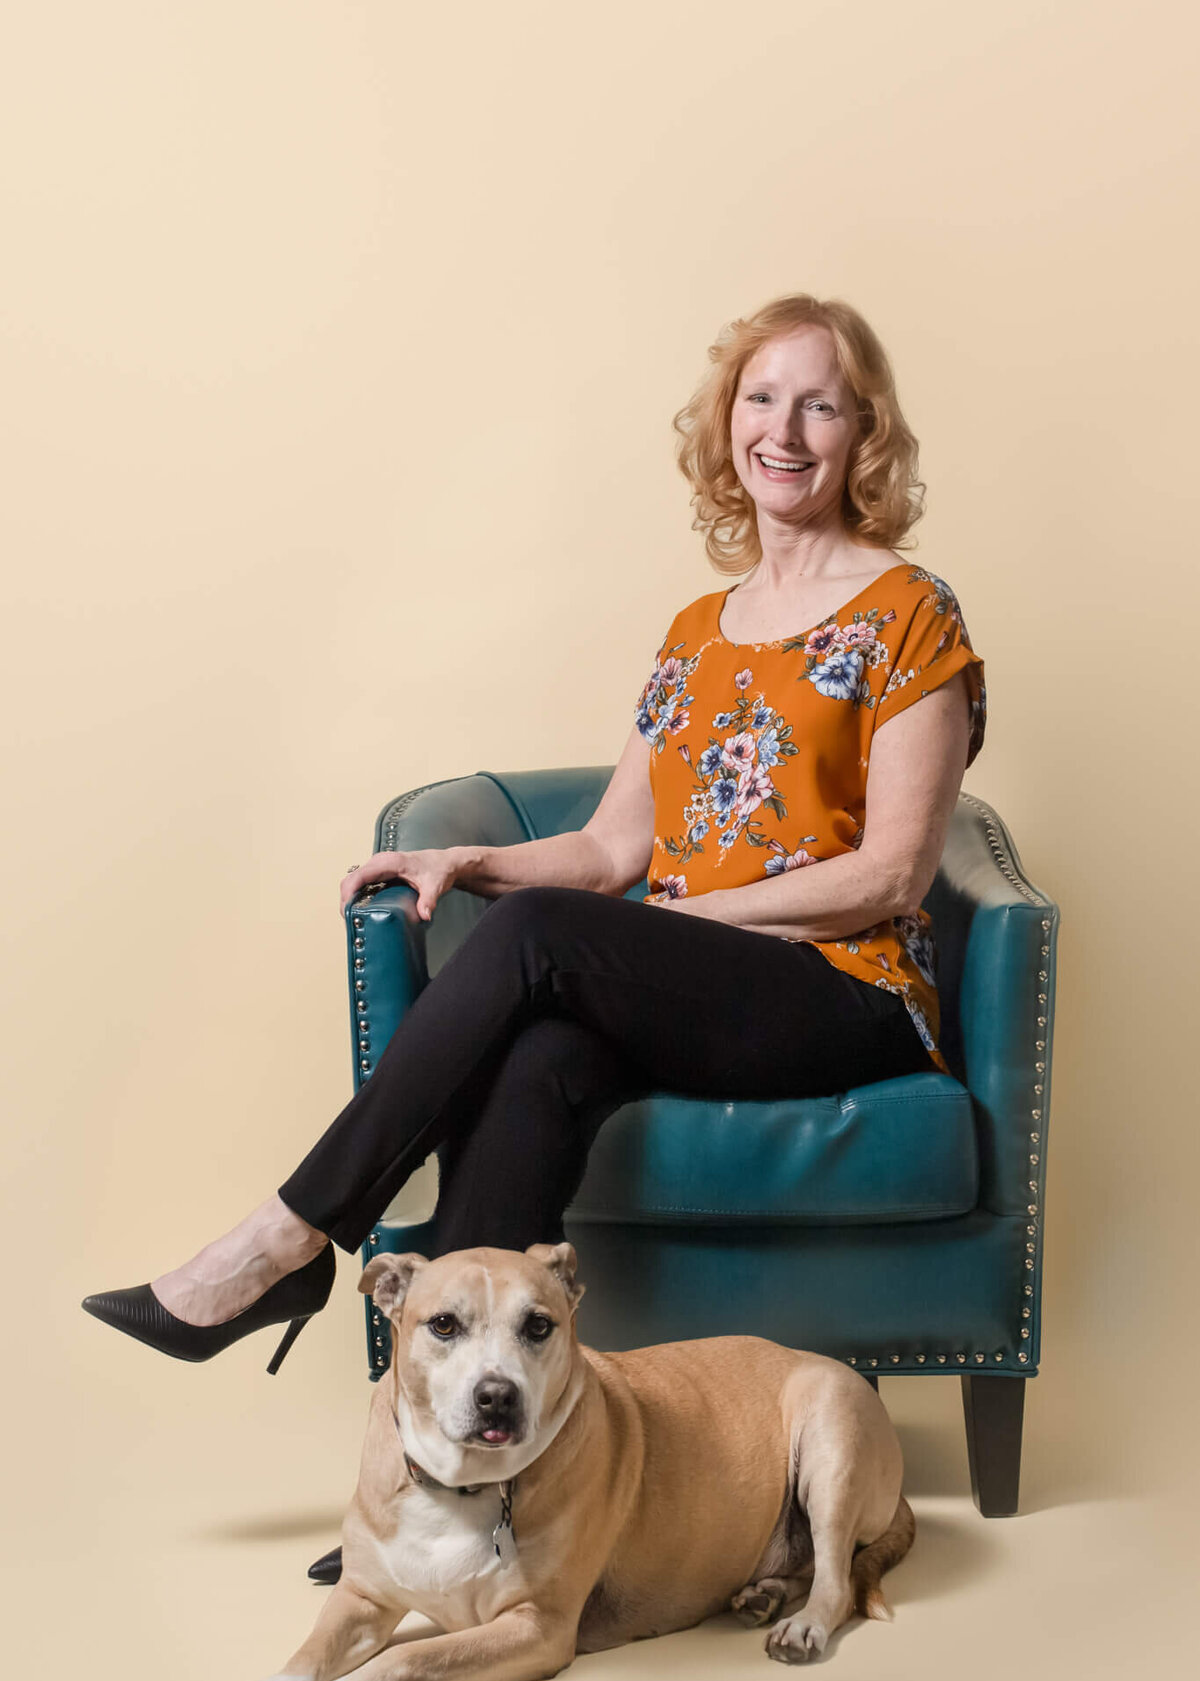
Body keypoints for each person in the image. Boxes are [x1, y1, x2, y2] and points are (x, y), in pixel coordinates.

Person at [82, 291, 986, 1383]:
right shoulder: (699, 634)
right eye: (761, 400)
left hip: (847, 991)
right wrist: (467, 864)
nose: (783, 435)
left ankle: (285, 1239)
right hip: (714, 987)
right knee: (543, 1063)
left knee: (552, 939)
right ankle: (440, 1471)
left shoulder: (911, 611)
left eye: (820, 407)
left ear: (865, 435)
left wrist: (681, 921)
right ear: (727, 421)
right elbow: (610, 851)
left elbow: (889, 875)